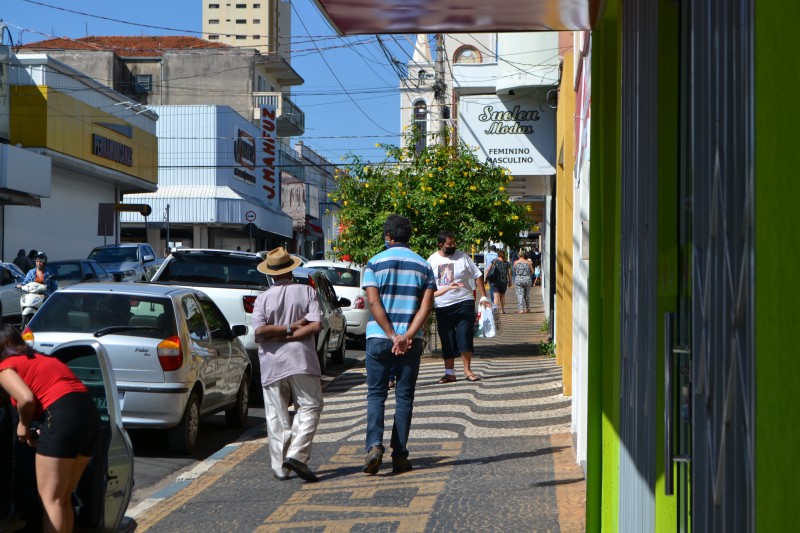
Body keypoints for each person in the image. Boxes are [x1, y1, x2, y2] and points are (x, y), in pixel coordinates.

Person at [0, 324, 100, 533]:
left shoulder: (6, 366)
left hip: (61, 415)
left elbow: (26, 400)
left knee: (51, 501)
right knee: (62, 499)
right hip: (88, 414)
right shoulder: (45, 359)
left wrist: (23, 425)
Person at [361, 214, 435, 474]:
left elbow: (373, 303)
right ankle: (400, 455)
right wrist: (406, 336)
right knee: (404, 398)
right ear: (409, 236)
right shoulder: (424, 266)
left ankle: (374, 446)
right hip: (410, 342)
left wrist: (392, 335)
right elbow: (426, 307)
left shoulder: (374, 264)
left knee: (376, 394)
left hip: (379, 339)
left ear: (388, 236)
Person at [252, 247, 324, 482]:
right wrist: (293, 330)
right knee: (310, 406)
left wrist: (280, 335)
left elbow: (260, 332)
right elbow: (316, 325)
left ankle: (280, 468)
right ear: (291, 269)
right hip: (302, 358)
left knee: (276, 415)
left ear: (271, 274)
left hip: (272, 363)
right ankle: (296, 453)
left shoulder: (262, 299)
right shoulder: (307, 291)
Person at [427, 230, 492, 384]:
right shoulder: (432, 260)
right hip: (442, 305)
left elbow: (477, 275)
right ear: (441, 244)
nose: (453, 246)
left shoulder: (463, 257)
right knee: (446, 338)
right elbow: (428, 284)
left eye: (454, 243)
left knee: (464, 335)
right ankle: (449, 373)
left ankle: (467, 369)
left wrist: (483, 296)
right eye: (449, 244)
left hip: (464, 302)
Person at [487, 249, 512, 313]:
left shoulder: (494, 261)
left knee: (496, 296)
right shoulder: (507, 263)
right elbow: (509, 273)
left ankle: (495, 310)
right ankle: (502, 310)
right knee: (502, 296)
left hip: (494, 281)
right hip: (503, 282)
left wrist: (485, 278)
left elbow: (488, 269)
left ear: (498, 254)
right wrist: (510, 281)